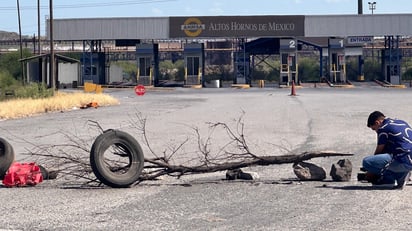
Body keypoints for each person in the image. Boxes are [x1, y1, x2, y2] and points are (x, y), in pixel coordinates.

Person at [362, 111, 412, 189]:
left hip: (403, 160)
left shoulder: (383, 129)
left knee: (367, 162)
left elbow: (378, 151)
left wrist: (371, 171)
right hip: (410, 158)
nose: (376, 131)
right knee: (389, 153)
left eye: (374, 129)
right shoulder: (401, 122)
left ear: (377, 122)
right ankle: (403, 172)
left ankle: (391, 178)